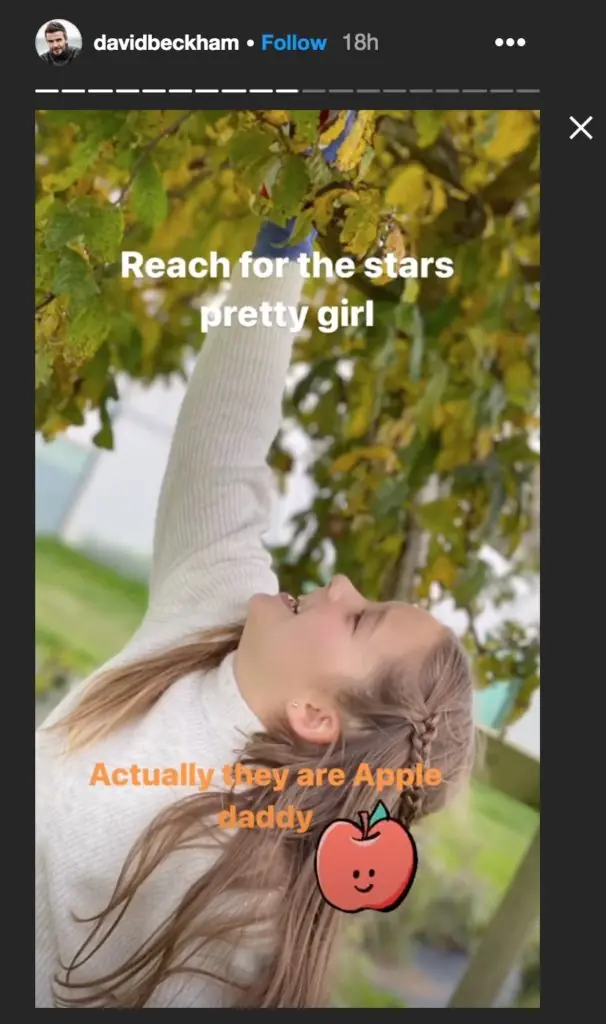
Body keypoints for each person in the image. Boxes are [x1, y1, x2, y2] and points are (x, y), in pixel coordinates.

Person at [35, 112, 476, 1009]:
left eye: (357, 618)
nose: (342, 583)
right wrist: (287, 237)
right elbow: (226, 442)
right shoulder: (219, 620)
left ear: (315, 713)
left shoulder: (242, 909)